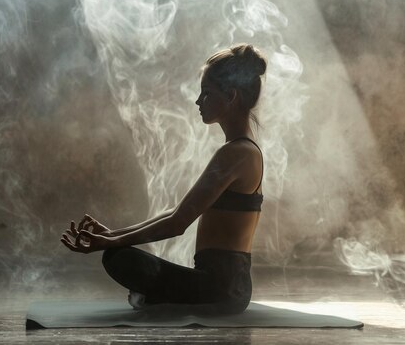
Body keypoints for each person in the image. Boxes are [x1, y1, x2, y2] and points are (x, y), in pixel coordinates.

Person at [61, 43, 266, 314]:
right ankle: (164, 298)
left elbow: (177, 223)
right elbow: (177, 213)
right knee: (118, 251)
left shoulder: (237, 153)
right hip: (226, 287)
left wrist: (112, 243)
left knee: (119, 258)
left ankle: (165, 299)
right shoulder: (239, 150)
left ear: (230, 96)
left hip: (222, 290)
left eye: (206, 94)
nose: (198, 101)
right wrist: (113, 234)